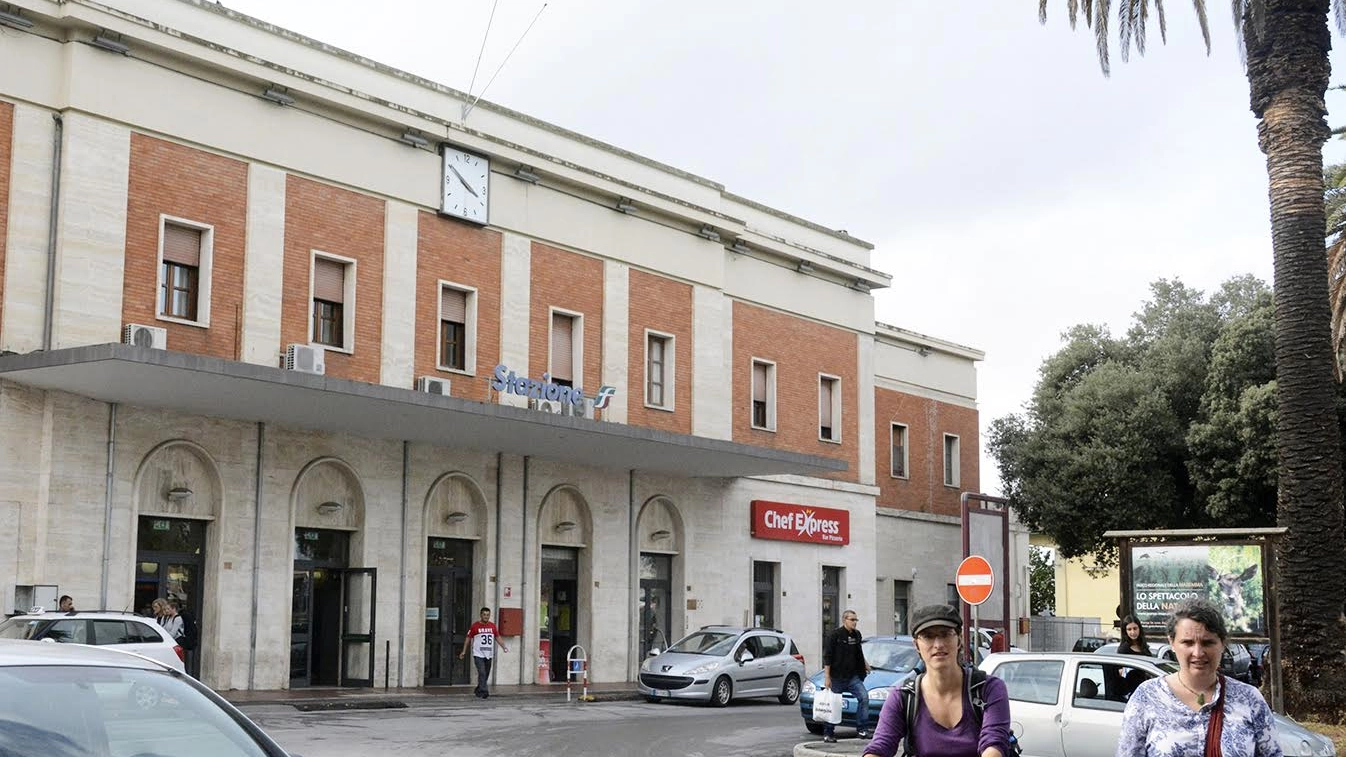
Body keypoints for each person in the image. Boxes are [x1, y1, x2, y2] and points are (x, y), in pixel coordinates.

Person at [1116, 598, 1281, 757]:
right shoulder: (1147, 698)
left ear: (1222, 643)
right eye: (1187, 643)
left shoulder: (1249, 699)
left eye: (1207, 643)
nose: (1198, 653)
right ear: (1172, 643)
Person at [865, 604, 1011, 757]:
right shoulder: (904, 697)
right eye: (928, 636)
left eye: (945, 634)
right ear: (916, 645)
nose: (938, 645)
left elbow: (994, 744)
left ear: (959, 639)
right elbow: (881, 746)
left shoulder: (988, 689)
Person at [822, 609, 871, 743]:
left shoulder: (857, 635)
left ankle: (862, 730)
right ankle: (828, 733)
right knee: (833, 704)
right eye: (852, 620)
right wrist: (827, 677)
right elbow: (827, 656)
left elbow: (858, 652)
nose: (855, 622)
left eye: (856, 620)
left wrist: (865, 664)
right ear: (844, 620)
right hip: (837, 677)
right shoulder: (835, 635)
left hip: (853, 677)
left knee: (864, 698)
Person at [459, 607, 508, 699]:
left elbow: (498, 637)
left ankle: (478, 689)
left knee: (486, 673)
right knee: (482, 672)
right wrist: (464, 651)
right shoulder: (475, 626)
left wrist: (504, 647)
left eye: (488, 615)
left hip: (489, 654)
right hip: (478, 654)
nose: (486, 617)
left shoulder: (492, 626)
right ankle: (484, 691)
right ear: (481, 615)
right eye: (484, 615)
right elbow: (468, 638)